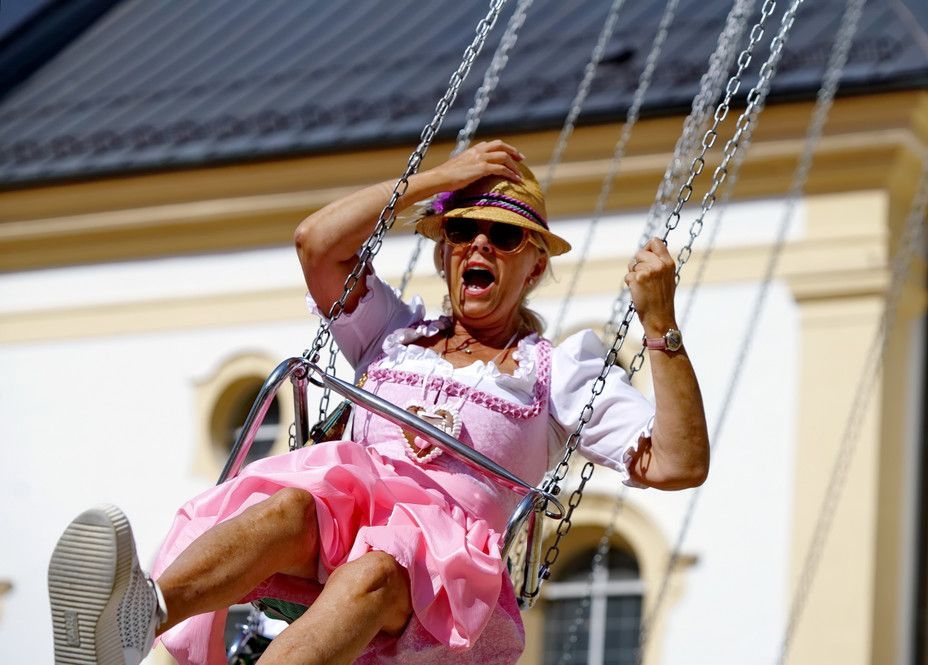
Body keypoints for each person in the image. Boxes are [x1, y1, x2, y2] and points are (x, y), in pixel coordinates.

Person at [48, 140, 709, 665]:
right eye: (464, 228)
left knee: (378, 568)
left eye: (505, 237)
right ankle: (139, 616)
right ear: (444, 253)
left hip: (439, 574)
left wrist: (660, 324)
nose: (481, 244)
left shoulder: (557, 373)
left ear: (533, 266)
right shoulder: (391, 331)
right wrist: (438, 178)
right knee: (291, 505)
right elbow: (316, 243)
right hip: (345, 521)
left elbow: (678, 462)